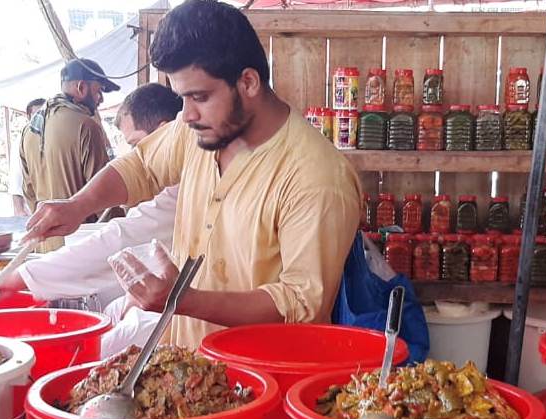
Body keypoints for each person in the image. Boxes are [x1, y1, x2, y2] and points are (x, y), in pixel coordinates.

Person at [24, 0, 362, 349]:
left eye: (199, 96)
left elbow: (301, 304)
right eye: (182, 97)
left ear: (248, 82)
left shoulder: (317, 178)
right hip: (185, 364)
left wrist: (184, 300)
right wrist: (77, 206)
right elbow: (140, 165)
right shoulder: (200, 131)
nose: (186, 114)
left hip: (263, 385)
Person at [0, 83, 183, 353]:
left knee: (101, 349)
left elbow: (124, 237)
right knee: (114, 312)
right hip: (65, 238)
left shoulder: (192, 172)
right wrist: (76, 206)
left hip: (195, 319)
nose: (188, 117)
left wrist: (22, 277)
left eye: (136, 144)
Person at [19, 58, 120, 244]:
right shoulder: (87, 126)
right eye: (98, 91)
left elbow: (29, 191)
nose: (101, 99)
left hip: (43, 244)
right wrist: (122, 235)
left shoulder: (29, 130)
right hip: (80, 246)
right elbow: (104, 195)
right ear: (81, 88)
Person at [10, 98, 44, 216]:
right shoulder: (21, 141)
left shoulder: (52, 137)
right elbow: (16, 177)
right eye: (37, 114)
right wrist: (19, 210)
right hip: (31, 209)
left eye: (44, 113)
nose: (41, 118)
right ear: (29, 116)